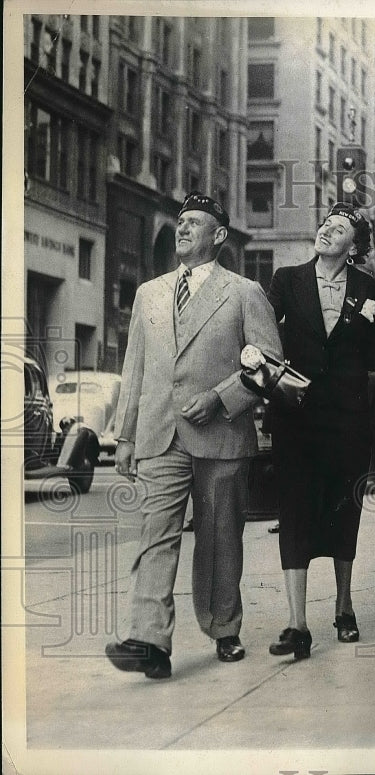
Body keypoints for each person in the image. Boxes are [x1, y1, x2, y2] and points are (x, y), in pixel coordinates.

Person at [106, 192, 282, 679]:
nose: (182, 229)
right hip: (159, 434)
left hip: (221, 435)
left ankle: (224, 629)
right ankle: (149, 641)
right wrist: (125, 436)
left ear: (219, 236)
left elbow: (270, 364)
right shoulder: (150, 293)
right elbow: (135, 367)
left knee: (220, 538)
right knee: (154, 537)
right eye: (180, 221)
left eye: (195, 223)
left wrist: (220, 398)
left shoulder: (244, 292)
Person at [264, 203, 375, 660]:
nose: (327, 232)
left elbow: (372, 356)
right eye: (325, 226)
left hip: (347, 420)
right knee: (294, 512)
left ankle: (344, 604)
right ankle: (297, 623)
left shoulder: (369, 288)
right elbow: (265, 336)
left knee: (343, 510)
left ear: (353, 246)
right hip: (295, 416)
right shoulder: (286, 280)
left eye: (339, 230)